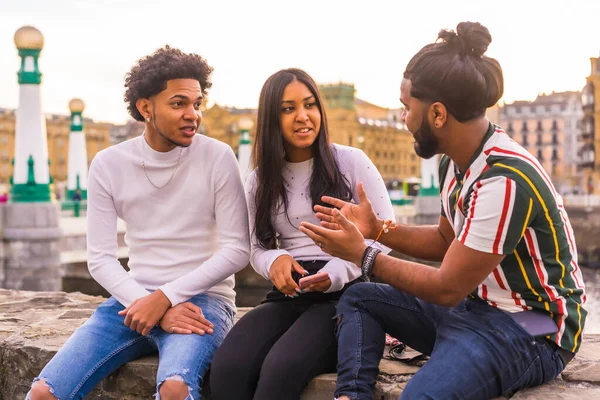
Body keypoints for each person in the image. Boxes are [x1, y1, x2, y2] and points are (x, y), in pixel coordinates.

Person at [299, 22, 587, 400]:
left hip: (535, 326)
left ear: (437, 114)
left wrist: (361, 254)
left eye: (406, 108)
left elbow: (448, 287)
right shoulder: (455, 161)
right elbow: (443, 240)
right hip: (476, 309)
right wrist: (378, 230)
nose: (403, 119)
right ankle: (351, 395)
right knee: (359, 298)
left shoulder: (504, 179)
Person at [27, 46, 250, 400]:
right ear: (145, 108)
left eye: (197, 103)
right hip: (132, 299)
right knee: (44, 393)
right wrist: (149, 303)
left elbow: (238, 248)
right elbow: (100, 258)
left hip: (204, 300)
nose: (193, 114)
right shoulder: (108, 163)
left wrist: (164, 298)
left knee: (175, 388)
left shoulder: (218, 156)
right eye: (178, 104)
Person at [209, 68, 395, 400]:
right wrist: (275, 260)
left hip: (345, 295)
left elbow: (385, 234)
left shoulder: (351, 161)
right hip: (290, 291)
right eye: (287, 108)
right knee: (227, 368)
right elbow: (256, 246)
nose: (302, 116)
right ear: (271, 118)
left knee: (280, 371)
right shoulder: (260, 178)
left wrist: (336, 272)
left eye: (309, 105)